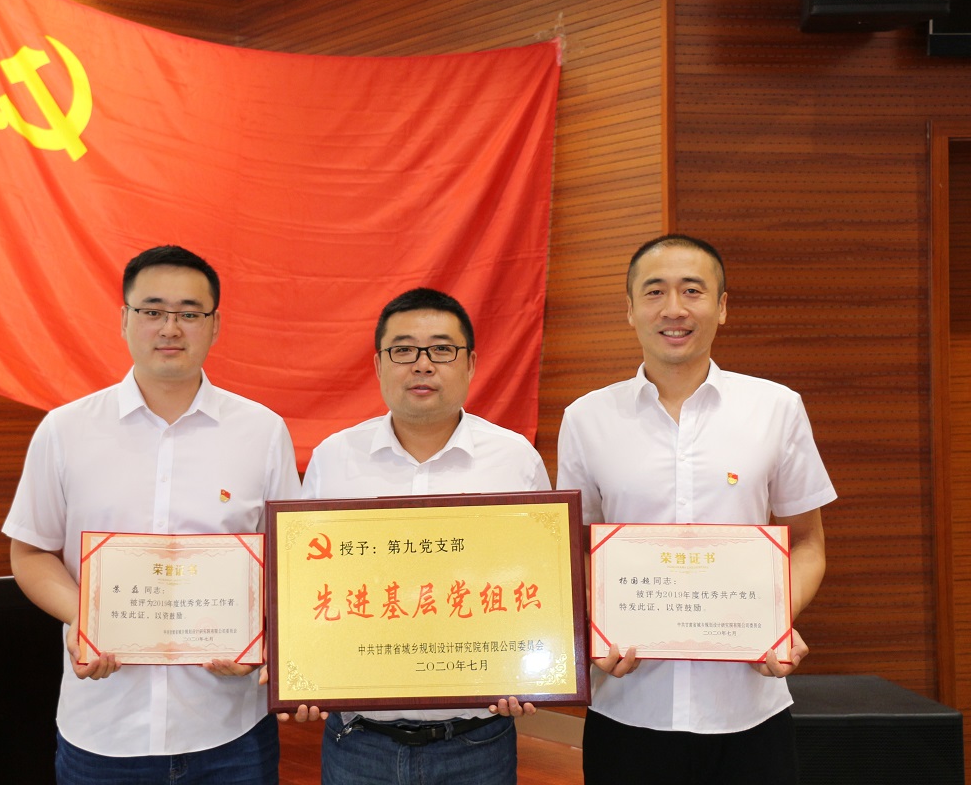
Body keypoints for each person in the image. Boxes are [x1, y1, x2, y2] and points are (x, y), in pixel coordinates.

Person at [3, 245, 301, 784]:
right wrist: (84, 619)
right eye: (152, 310)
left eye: (190, 313)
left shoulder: (262, 432)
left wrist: (258, 633)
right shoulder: (65, 430)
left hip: (230, 732)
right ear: (124, 319)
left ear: (215, 326)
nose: (170, 328)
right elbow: (30, 552)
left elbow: (289, 563)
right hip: (104, 729)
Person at [557, 234, 834, 784]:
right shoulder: (586, 418)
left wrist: (775, 620)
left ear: (722, 307)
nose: (674, 309)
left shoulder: (776, 408)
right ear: (630, 309)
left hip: (750, 710)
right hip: (628, 707)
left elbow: (808, 543)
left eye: (692, 290)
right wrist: (595, 628)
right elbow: (577, 550)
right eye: (654, 291)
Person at [297, 287, 549, 785]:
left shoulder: (514, 459)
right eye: (403, 350)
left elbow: (541, 583)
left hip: (477, 742)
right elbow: (307, 583)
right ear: (378, 364)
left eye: (441, 349)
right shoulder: (334, 458)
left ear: (471, 363)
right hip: (359, 743)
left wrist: (531, 671)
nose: (422, 364)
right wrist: (301, 671)